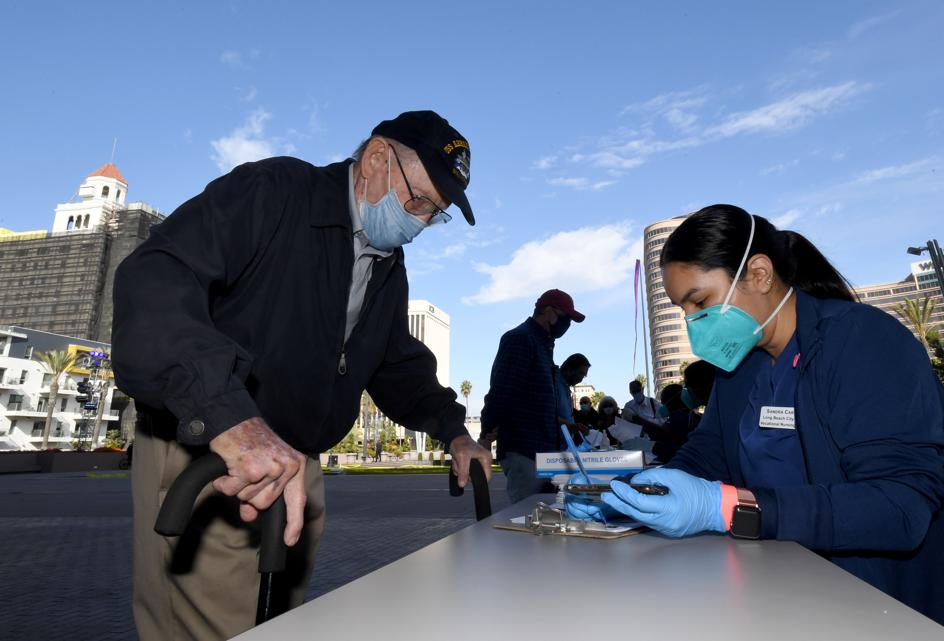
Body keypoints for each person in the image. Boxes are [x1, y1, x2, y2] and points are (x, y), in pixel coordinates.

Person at [112, 110, 493, 641]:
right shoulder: (274, 192)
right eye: (420, 201)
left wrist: (454, 430)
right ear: (378, 159)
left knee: (281, 620)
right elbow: (155, 278)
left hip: (296, 461)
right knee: (219, 625)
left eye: (436, 214)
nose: (422, 222)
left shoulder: (385, 260)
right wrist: (230, 419)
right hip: (215, 449)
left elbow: (393, 360)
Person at [568, 204, 944, 632]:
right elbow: (708, 452)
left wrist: (727, 508)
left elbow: (899, 509)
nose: (692, 322)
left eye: (699, 301)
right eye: (683, 309)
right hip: (783, 586)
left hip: (878, 605)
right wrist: (641, 494)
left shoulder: (863, 341)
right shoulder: (741, 369)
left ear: (759, 273)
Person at [479, 289, 585, 502]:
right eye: (566, 318)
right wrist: (486, 434)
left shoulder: (543, 345)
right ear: (548, 311)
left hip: (543, 452)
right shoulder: (520, 339)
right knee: (527, 517)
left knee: (545, 518)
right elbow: (502, 392)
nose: (568, 325)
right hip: (524, 449)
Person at [631, 383, 700, 464]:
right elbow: (666, 435)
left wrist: (652, 446)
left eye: (663, 403)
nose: (662, 406)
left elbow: (677, 448)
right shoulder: (689, 416)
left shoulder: (679, 418)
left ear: (672, 401)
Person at [554, 353, 591, 446]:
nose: (581, 379)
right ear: (569, 370)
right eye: (581, 373)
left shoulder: (566, 388)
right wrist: (570, 426)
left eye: (584, 376)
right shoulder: (553, 384)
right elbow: (547, 414)